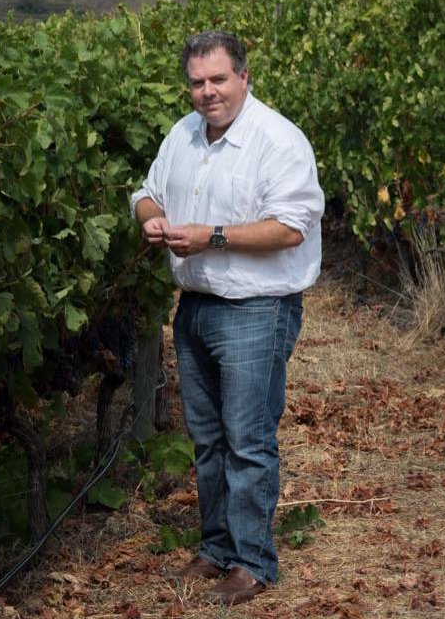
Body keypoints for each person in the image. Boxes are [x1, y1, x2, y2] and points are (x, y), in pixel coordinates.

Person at [131, 31, 324, 606]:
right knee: (208, 439)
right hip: (194, 307)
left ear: (244, 77)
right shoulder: (183, 135)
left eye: (218, 79)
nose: (207, 92)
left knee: (247, 440)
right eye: (197, 82)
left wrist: (211, 236)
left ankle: (252, 562)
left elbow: (291, 227)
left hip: (255, 311)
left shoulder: (278, 140)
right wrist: (153, 220)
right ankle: (216, 548)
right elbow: (145, 192)